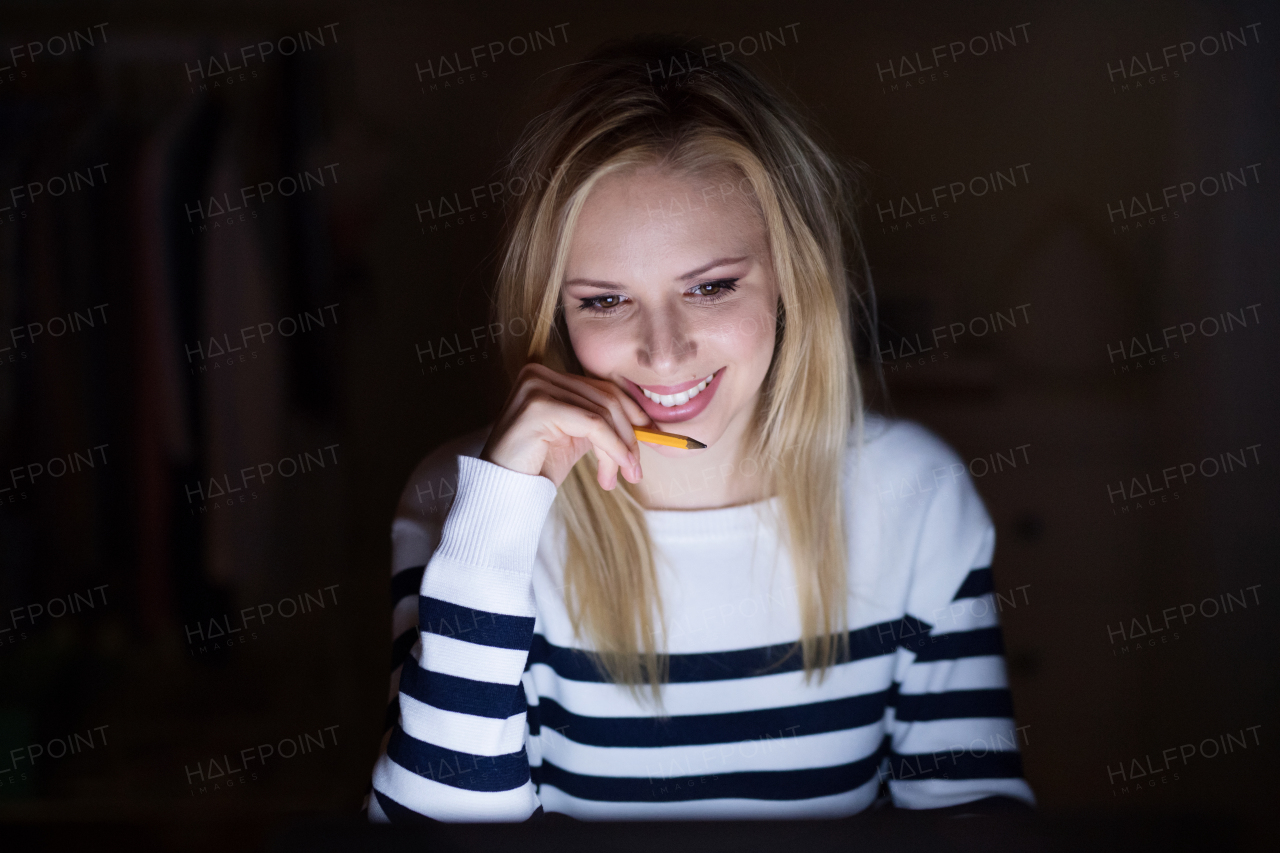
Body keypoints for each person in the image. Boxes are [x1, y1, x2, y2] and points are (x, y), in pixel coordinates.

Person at [366, 35, 1035, 823]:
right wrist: (494, 529)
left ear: (795, 273)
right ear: (556, 307)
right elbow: (431, 832)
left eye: (711, 286)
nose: (664, 351)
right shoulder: (466, 497)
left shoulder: (914, 493)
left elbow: (974, 820)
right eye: (605, 300)